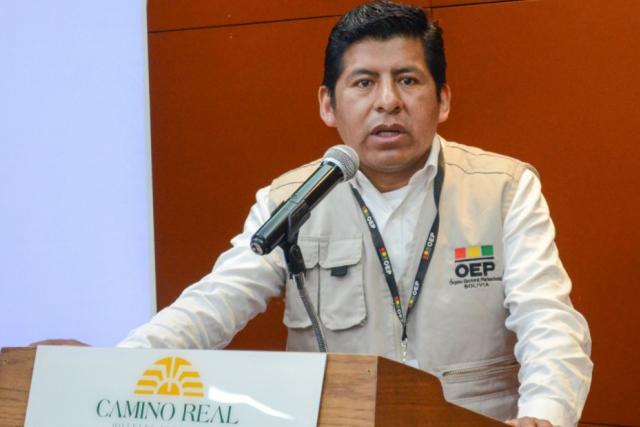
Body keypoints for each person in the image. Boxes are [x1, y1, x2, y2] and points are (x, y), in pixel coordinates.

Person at [118, 2, 592, 426]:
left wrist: (543, 415)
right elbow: (214, 303)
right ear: (328, 104)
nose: (388, 101)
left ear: (443, 99)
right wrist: (115, 370)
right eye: (364, 83)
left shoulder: (505, 189)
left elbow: (548, 321)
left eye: (407, 80)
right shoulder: (291, 200)